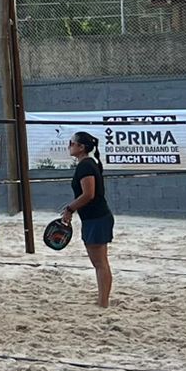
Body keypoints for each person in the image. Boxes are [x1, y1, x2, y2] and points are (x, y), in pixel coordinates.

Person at [61, 130, 114, 307]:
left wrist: (69, 209)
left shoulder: (85, 165)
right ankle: (102, 300)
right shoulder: (90, 163)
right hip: (97, 217)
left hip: (96, 218)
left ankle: (103, 302)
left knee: (100, 263)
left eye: (72, 143)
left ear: (81, 147)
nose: (69, 146)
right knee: (101, 262)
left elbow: (88, 194)